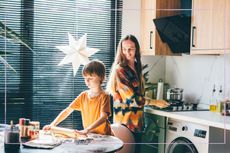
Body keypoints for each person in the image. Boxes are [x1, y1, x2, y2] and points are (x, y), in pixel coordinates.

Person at [106, 34, 169, 152]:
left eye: (131, 49)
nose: (127, 52)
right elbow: (132, 99)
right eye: (124, 49)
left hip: (137, 123)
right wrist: (155, 102)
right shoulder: (120, 70)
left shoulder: (136, 67)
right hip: (125, 124)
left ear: (136, 49)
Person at [43, 60, 113, 136]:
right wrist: (52, 125)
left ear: (101, 77)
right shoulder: (83, 95)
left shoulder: (104, 95)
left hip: (104, 135)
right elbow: (67, 111)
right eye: (85, 78)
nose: (87, 81)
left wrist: (87, 130)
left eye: (90, 78)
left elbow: (103, 118)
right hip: (90, 135)